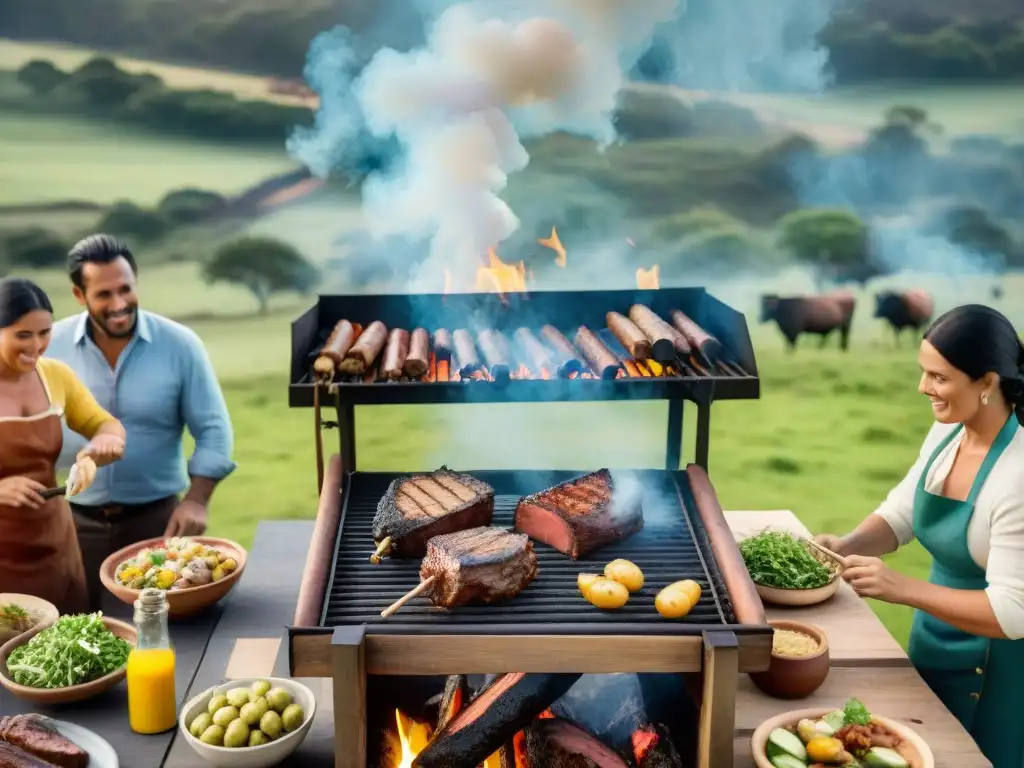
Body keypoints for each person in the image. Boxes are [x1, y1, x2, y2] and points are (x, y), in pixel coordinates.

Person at [815, 304, 1024, 768]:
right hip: (931, 645)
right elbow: (903, 512)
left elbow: (1012, 612)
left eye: (939, 377)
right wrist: (848, 545)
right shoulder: (948, 432)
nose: (923, 388)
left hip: (992, 672)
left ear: (986, 383)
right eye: (923, 372)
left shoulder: (1018, 474)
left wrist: (901, 588)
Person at [47, 234, 236, 611]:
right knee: (77, 633)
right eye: (104, 294)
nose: (119, 305)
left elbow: (213, 430)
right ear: (79, 295)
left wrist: (197, 500)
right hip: (71, 524)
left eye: (126, 289)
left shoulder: (180, 344)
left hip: (160, 524)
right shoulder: (51, 345)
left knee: (168, 634)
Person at [0, 278, 126, 613]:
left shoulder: (55, 375)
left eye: (44, 332)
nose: (37, 345)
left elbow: (105, 424)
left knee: (68, 648)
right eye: (23, 335)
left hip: (54, 541)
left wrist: (98, 449)